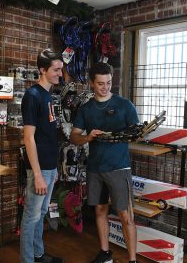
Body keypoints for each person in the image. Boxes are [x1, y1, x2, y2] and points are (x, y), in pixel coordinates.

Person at [70, 62, 138, 263]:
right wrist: (88, 138)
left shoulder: (125, 105)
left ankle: (132, 259)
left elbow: (136, 132)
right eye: (100, 83)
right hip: (95, 168)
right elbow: (74, 137)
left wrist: (128, 134)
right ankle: (105, 253)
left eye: (108, 82)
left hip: (119, 167)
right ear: (92, 83)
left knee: (126, 215)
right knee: (100, 210)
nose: (105, 87)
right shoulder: (86, 109)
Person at [20, 48, 64, 263]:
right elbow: (29, 138)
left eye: (61, 70)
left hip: (49, 167)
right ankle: (28, 259)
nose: (60, 74)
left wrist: (53, 168)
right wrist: (37, 174)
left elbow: (47, 136)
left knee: (41, 213)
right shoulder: (32, 96)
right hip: (38, 169)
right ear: (42, 70)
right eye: (56, 70)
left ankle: (38, 254)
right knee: (31, 217)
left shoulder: (48, 95)